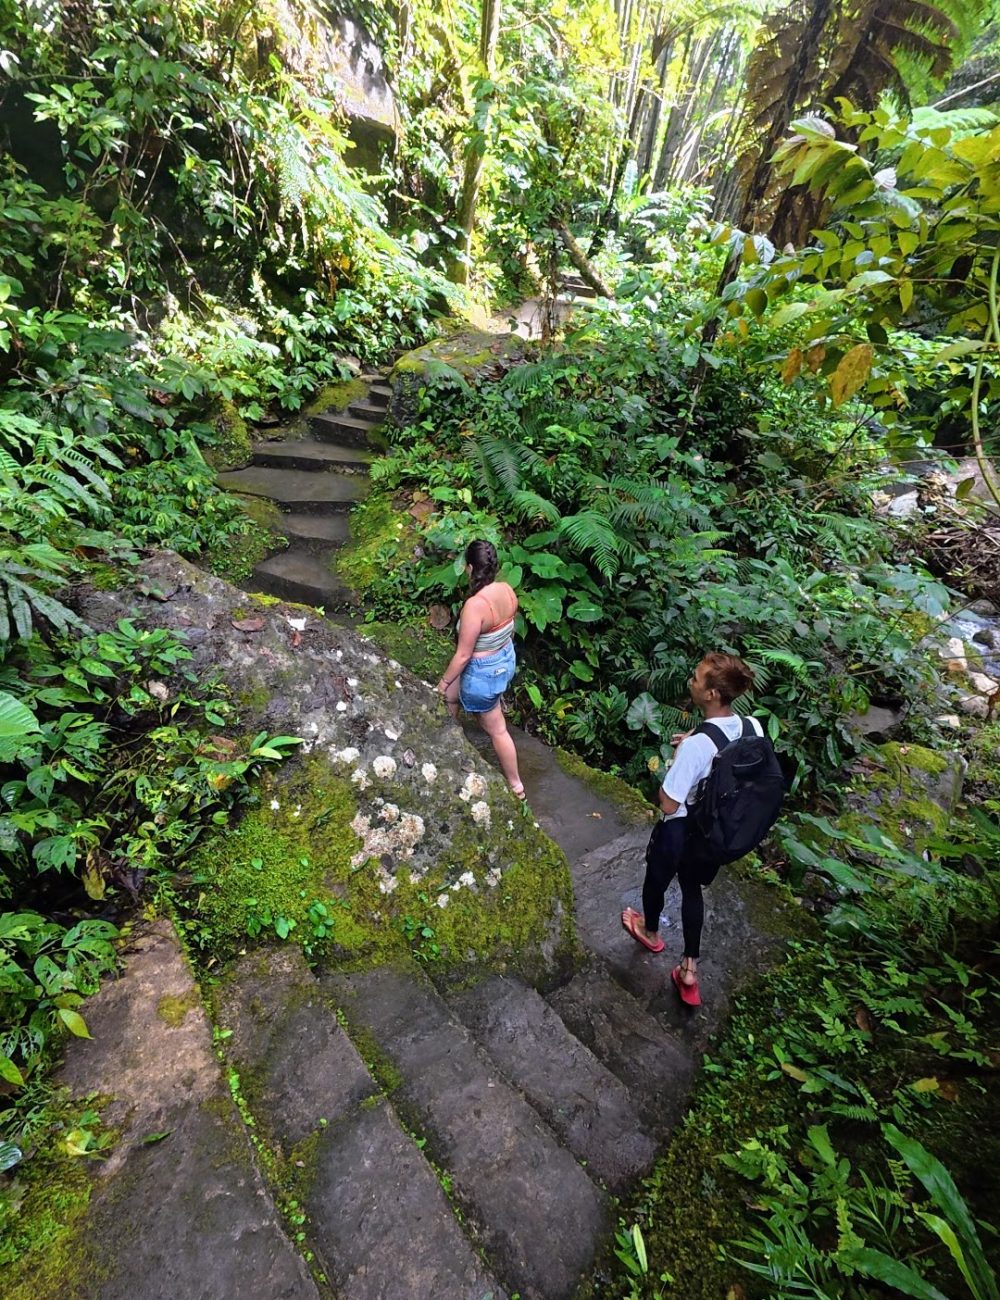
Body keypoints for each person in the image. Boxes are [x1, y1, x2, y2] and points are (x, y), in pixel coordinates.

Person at [621, 652, 763, 1007]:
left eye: (698, 678)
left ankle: (649, 932)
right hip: (715, 832)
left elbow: (668, 803)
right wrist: (695, 744)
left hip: (679, 828)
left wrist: (682, 757)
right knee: (692, 889)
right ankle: (689, 970)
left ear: (712, 694)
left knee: (657, 878)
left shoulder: (697, 746)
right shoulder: (752, 728)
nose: (691, 680)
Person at [436, 540, 526, 799]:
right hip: (503, 660)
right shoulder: (507, 590)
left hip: (483, 672)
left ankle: (517, 787)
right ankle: (447, 742)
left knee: (497, 729)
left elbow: (464, 655)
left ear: (470, 568)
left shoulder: (475, 606)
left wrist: (441, 683)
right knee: (450, 697)